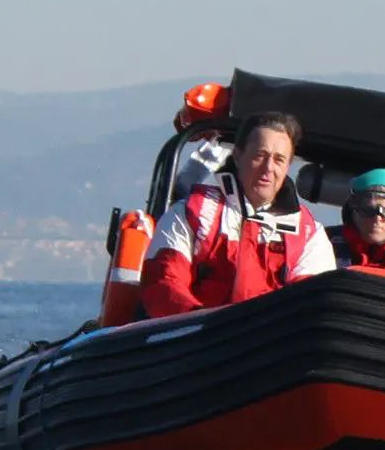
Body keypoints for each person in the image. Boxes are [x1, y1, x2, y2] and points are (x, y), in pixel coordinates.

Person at [140, 111, 336, 317]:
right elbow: (164, 281)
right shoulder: (192, 213)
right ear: (238, 155)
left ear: (287, 167)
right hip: (198, 338)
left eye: (279, 160)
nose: (268, 168)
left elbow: (311, 306)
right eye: (259, 156)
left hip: (275, 343)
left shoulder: (309, 235)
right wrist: (204, 327)